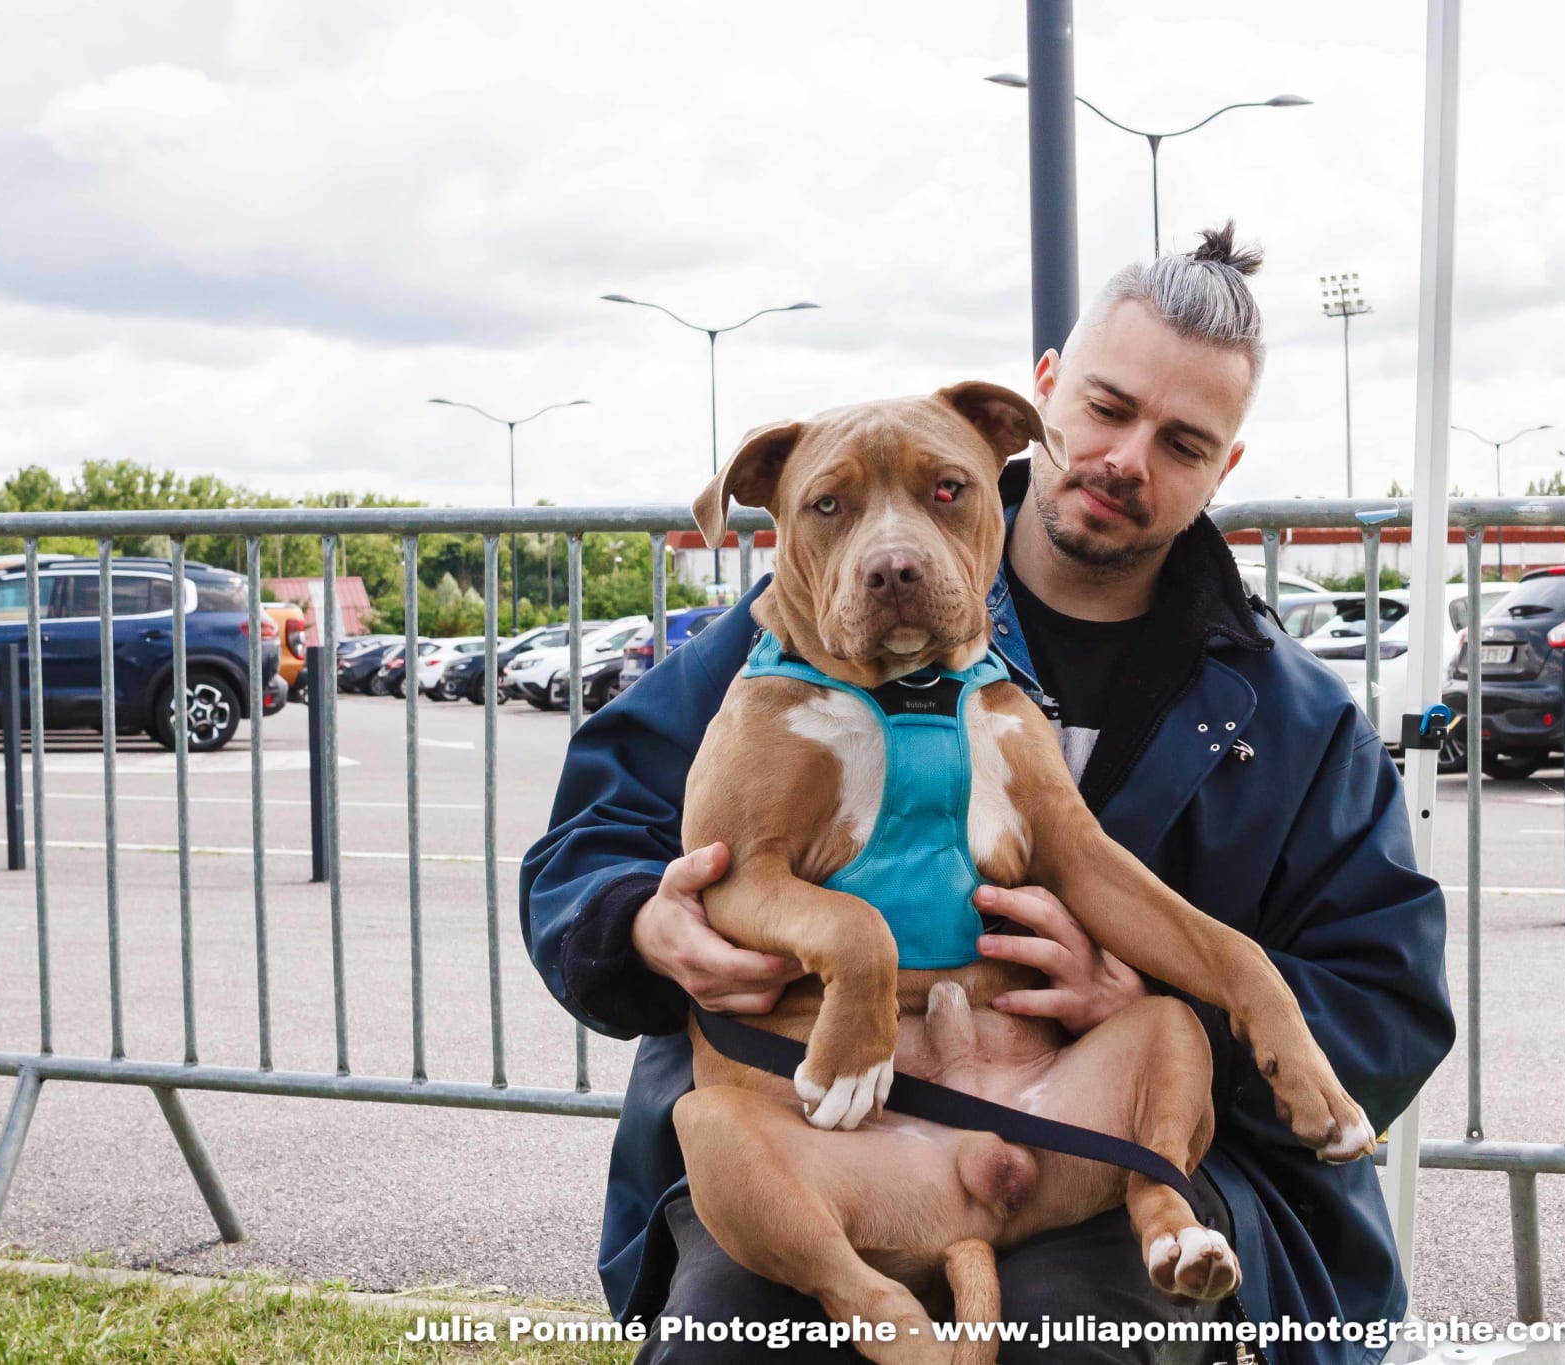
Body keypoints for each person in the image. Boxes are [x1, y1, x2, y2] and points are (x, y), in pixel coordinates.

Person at [521, 222, 1454, 1364]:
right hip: (815, 1129)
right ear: (1043, 396)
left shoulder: (1298, 722)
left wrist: (1165, 1014)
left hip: (1121, 1157)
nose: (1124, 458)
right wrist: (640, 920)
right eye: (1106, 410)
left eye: (1180, 440)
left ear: (1225, 470)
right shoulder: (796, 633)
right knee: (734, 1334)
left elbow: (1388, 999)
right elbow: (588, 845)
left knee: (1084, 1334)